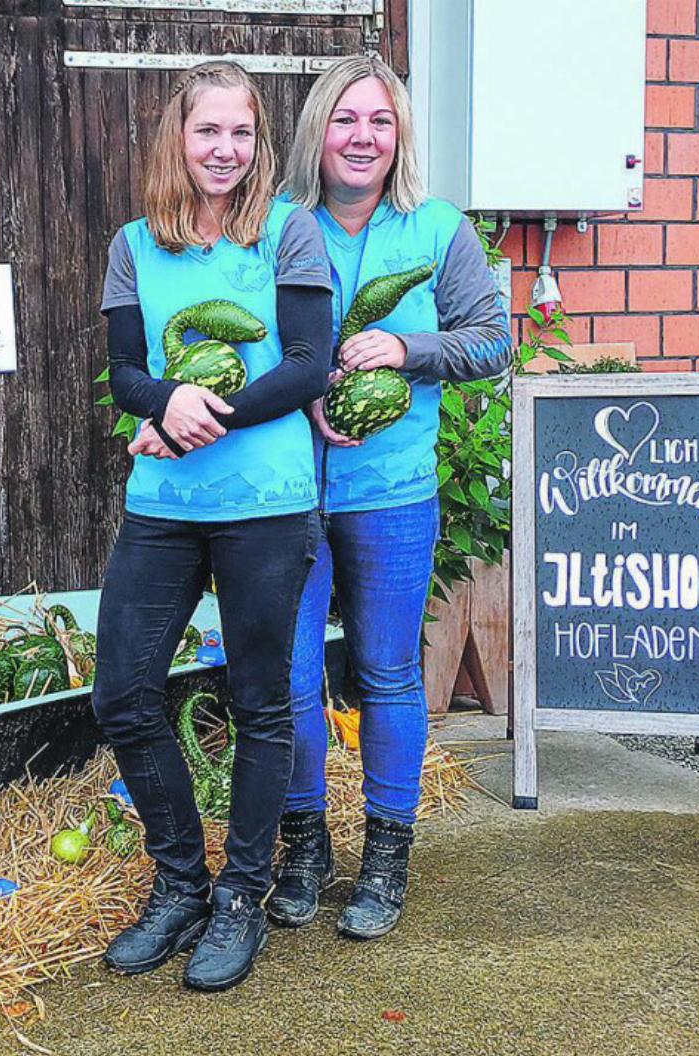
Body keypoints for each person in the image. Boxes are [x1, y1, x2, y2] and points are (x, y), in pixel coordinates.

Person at [92, 60, 334, 993]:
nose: (224, 150)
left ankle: (242, 895)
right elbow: (125, 375)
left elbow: (310, 365)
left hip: (266, 509)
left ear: (259, 141)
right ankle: (180, 882)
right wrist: (166, 399)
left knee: (262, 702)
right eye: (207, 133)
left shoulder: (287, 231)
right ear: (177, 139)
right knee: (124, 693)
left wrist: (209, 416)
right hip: (162, 509)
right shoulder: (132, 245)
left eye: (240, 133)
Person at [265, 54, 512, 940]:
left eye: (379, 120)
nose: (362, 137)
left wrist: (407, 350)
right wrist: (304, 394)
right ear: (316, 132)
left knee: (387, 675)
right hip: (285, 493)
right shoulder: (276, 227)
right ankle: (302, 843)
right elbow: (253, 350)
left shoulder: (439, 230)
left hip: (393, 491)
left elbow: (493, 344)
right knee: (289, 680)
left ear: (399, 133)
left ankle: (386, 851)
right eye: (344, 119)